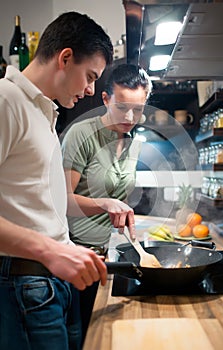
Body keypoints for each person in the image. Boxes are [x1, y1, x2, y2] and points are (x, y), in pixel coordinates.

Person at [0, 11, 113, 350]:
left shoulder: (43, 111)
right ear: (65, 58)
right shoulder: (6, 101)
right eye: (90, 76)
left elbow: (36, 204)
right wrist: (50, 251)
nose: (91, 89)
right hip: (24, 285)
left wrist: (67, 248)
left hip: (52, 284)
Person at [61, 63, 152, 342]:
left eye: (137, 109)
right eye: (122, 106)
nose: (129, 116)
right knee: (84, 337)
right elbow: (60, 201)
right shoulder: (82, 134)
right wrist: (104, 203)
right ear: (105, 99)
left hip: (114, 257)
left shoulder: (134, 140)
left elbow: (119, 197)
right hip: (80, 259)